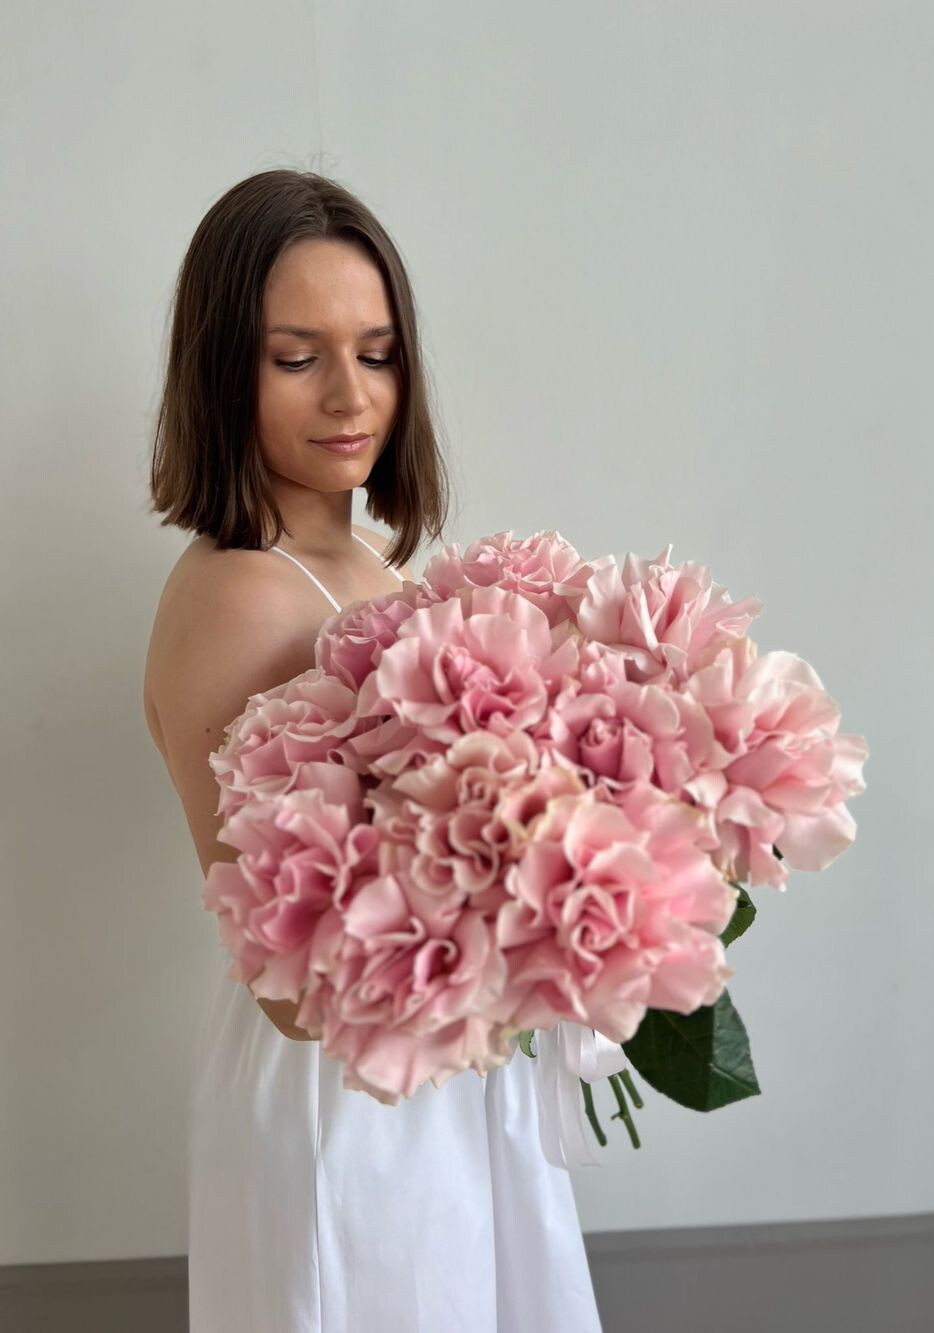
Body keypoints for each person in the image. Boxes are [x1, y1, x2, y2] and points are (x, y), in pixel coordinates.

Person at [142, 168, 605, 1332]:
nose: (351, 395)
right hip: (350, 1106)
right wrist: (525, 923)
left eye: (379, 352)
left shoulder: (375, 568)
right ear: (222, 370)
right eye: (297, 357)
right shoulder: (238, 596)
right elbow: (289, 991)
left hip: (448, 1075)